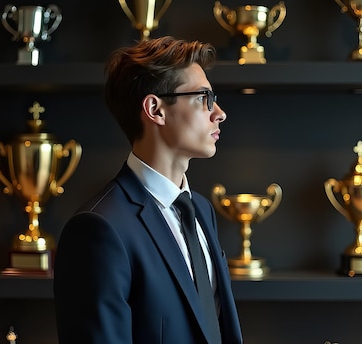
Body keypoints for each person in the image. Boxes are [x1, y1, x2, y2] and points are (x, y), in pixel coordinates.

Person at [53, 36, 243, 344]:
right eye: (203, 98)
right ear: (155, 109)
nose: (219, 112)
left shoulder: (202, 209)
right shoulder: (99, 228)